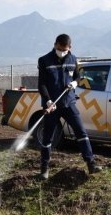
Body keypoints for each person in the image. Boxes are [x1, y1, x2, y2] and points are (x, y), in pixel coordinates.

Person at [37, 34, 102, 179]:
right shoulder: (44, 60)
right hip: (52, 105)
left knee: (81, 132)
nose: (61, 51)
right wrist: (47, 101)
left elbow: (78, 77)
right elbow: (41, 84)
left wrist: (75, 83)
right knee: (48, 137)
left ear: (69, 48)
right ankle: (44, 169)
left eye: (64, 50)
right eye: (59, 49)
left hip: (69, 103)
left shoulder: (73, 60)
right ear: (55, 45)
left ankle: (91, 164)